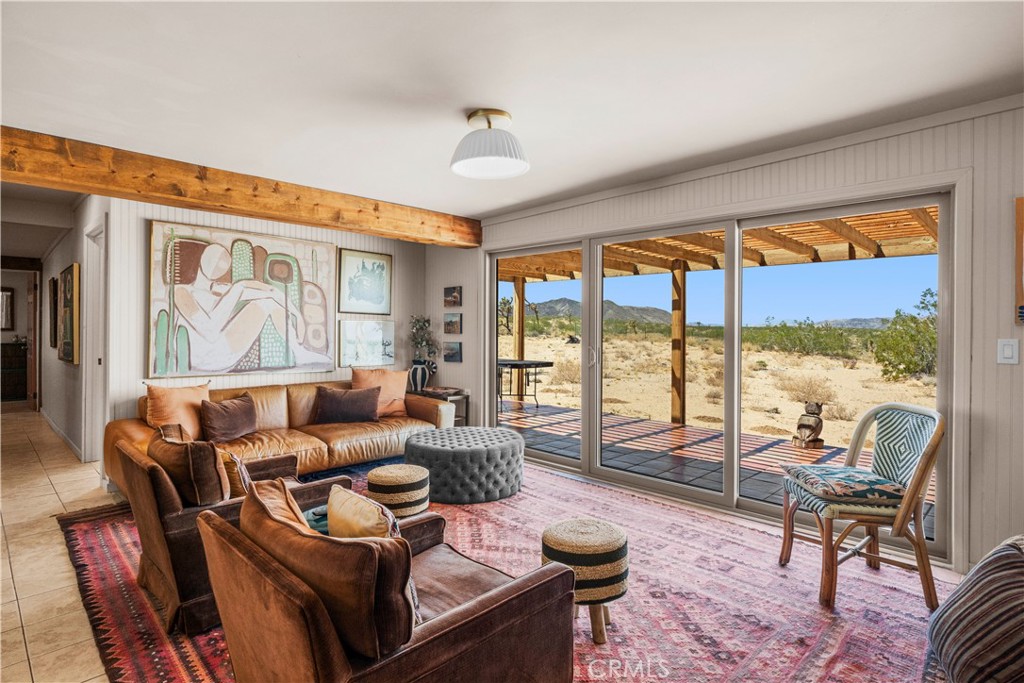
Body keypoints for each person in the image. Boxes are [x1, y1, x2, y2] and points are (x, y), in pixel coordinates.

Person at [172, 243, 329, 372]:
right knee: (255, 300)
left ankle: (299, 352)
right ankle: (299, 353)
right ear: (202, 258)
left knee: (266, 302)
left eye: (222, 262)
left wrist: (297, 315)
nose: (216, 265)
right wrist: (236, 290)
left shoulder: (219, 289)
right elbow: (210, 331)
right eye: (213, 257)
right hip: (201, 357)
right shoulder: (182, 291)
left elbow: (271, 292)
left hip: (223, 353)